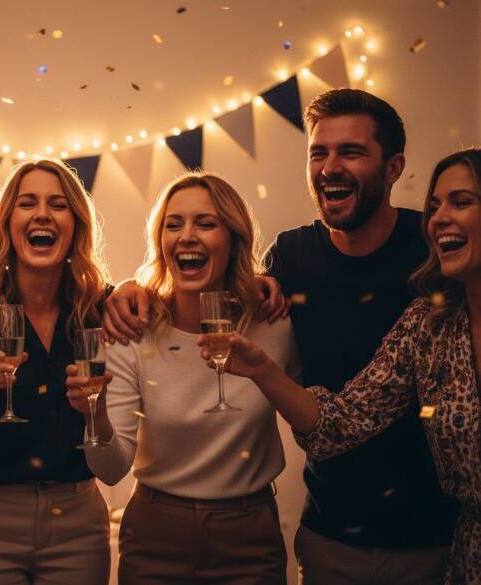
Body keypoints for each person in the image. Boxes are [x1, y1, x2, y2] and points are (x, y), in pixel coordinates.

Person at [105, 89, 459, 584]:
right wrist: (126, 288)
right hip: (332, 530)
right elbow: (221, 283)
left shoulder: (436, 252)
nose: (330, 166)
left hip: (436, 532)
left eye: (351, 152)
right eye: (319, 153)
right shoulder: (292, 258)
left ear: (394, 167)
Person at [205, 147, 481, 585]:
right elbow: (339, 424)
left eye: (461, 202)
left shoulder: (411, 244)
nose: (440, 218)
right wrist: (260, 368)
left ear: (393, 167)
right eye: (435, 206)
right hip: (427, 549)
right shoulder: (429, 324)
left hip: (433, 542)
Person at [69, 172, 300, 584]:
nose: (187, 236)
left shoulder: (273, 324)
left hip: (249, 534)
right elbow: (110, 469)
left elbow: (309, 415)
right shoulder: (131, 332)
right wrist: (95, 414)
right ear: (160, 241)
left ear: (234, 239)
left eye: (206, 224)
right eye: (173, 225)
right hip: (156, 534)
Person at [0, 159, 111, 585]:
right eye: (27, 203)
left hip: (78, 520)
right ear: (7, 222)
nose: (42, 214)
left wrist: (95, 407)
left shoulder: (102, 310)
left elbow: (111, 457)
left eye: (58, 204)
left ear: (76, 224)